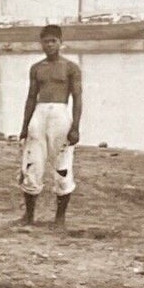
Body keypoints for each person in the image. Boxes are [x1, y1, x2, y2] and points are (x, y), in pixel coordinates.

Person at [19, 24, 83, 228]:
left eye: (53, 41)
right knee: (32, 164)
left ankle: (60, 219)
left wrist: (76, 127)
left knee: (62, 165)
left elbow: (78, 98)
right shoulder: (37, 68)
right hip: (39, 116)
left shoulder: (71, 68)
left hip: (60, 116)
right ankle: (28, 216)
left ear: (60, 43)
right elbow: (30, 98)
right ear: (41, 44)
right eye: (46, 41)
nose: (49, 45)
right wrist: (24, 126)